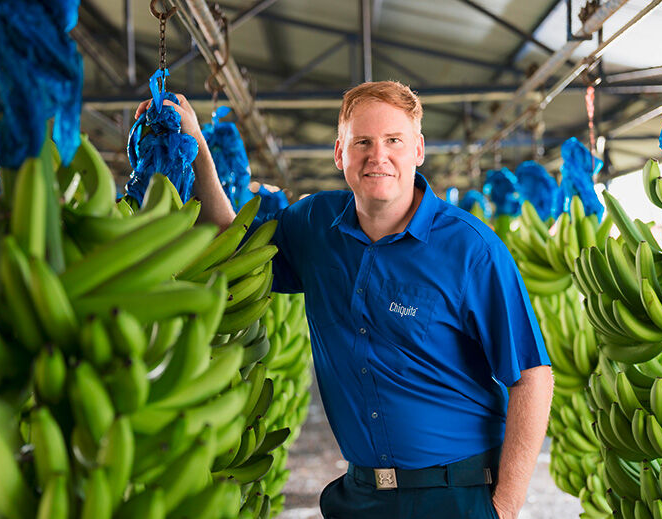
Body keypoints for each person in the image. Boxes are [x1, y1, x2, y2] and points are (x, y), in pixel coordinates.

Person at [135, 81, 553, 519]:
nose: (379, 156)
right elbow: (231, 245)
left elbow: (532, 377)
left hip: (454, 495)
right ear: (340, 154)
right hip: (360, 496)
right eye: (363, 143)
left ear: (418, 150)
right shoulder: (314, 224)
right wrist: (196, 143)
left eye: (394, 141)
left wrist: (504, 508)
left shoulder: (470, 249)